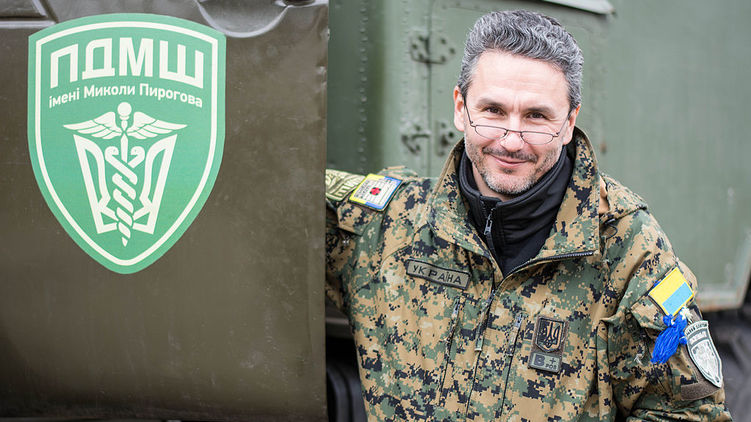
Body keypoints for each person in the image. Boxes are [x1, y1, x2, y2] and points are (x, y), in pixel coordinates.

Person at [325, 9, 732, 421]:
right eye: (493, 110)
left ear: (569, 122)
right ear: (461, 108)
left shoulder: (626, 249)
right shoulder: (387, 225)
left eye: (536, 116)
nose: (511, 140)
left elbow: (690, 414)